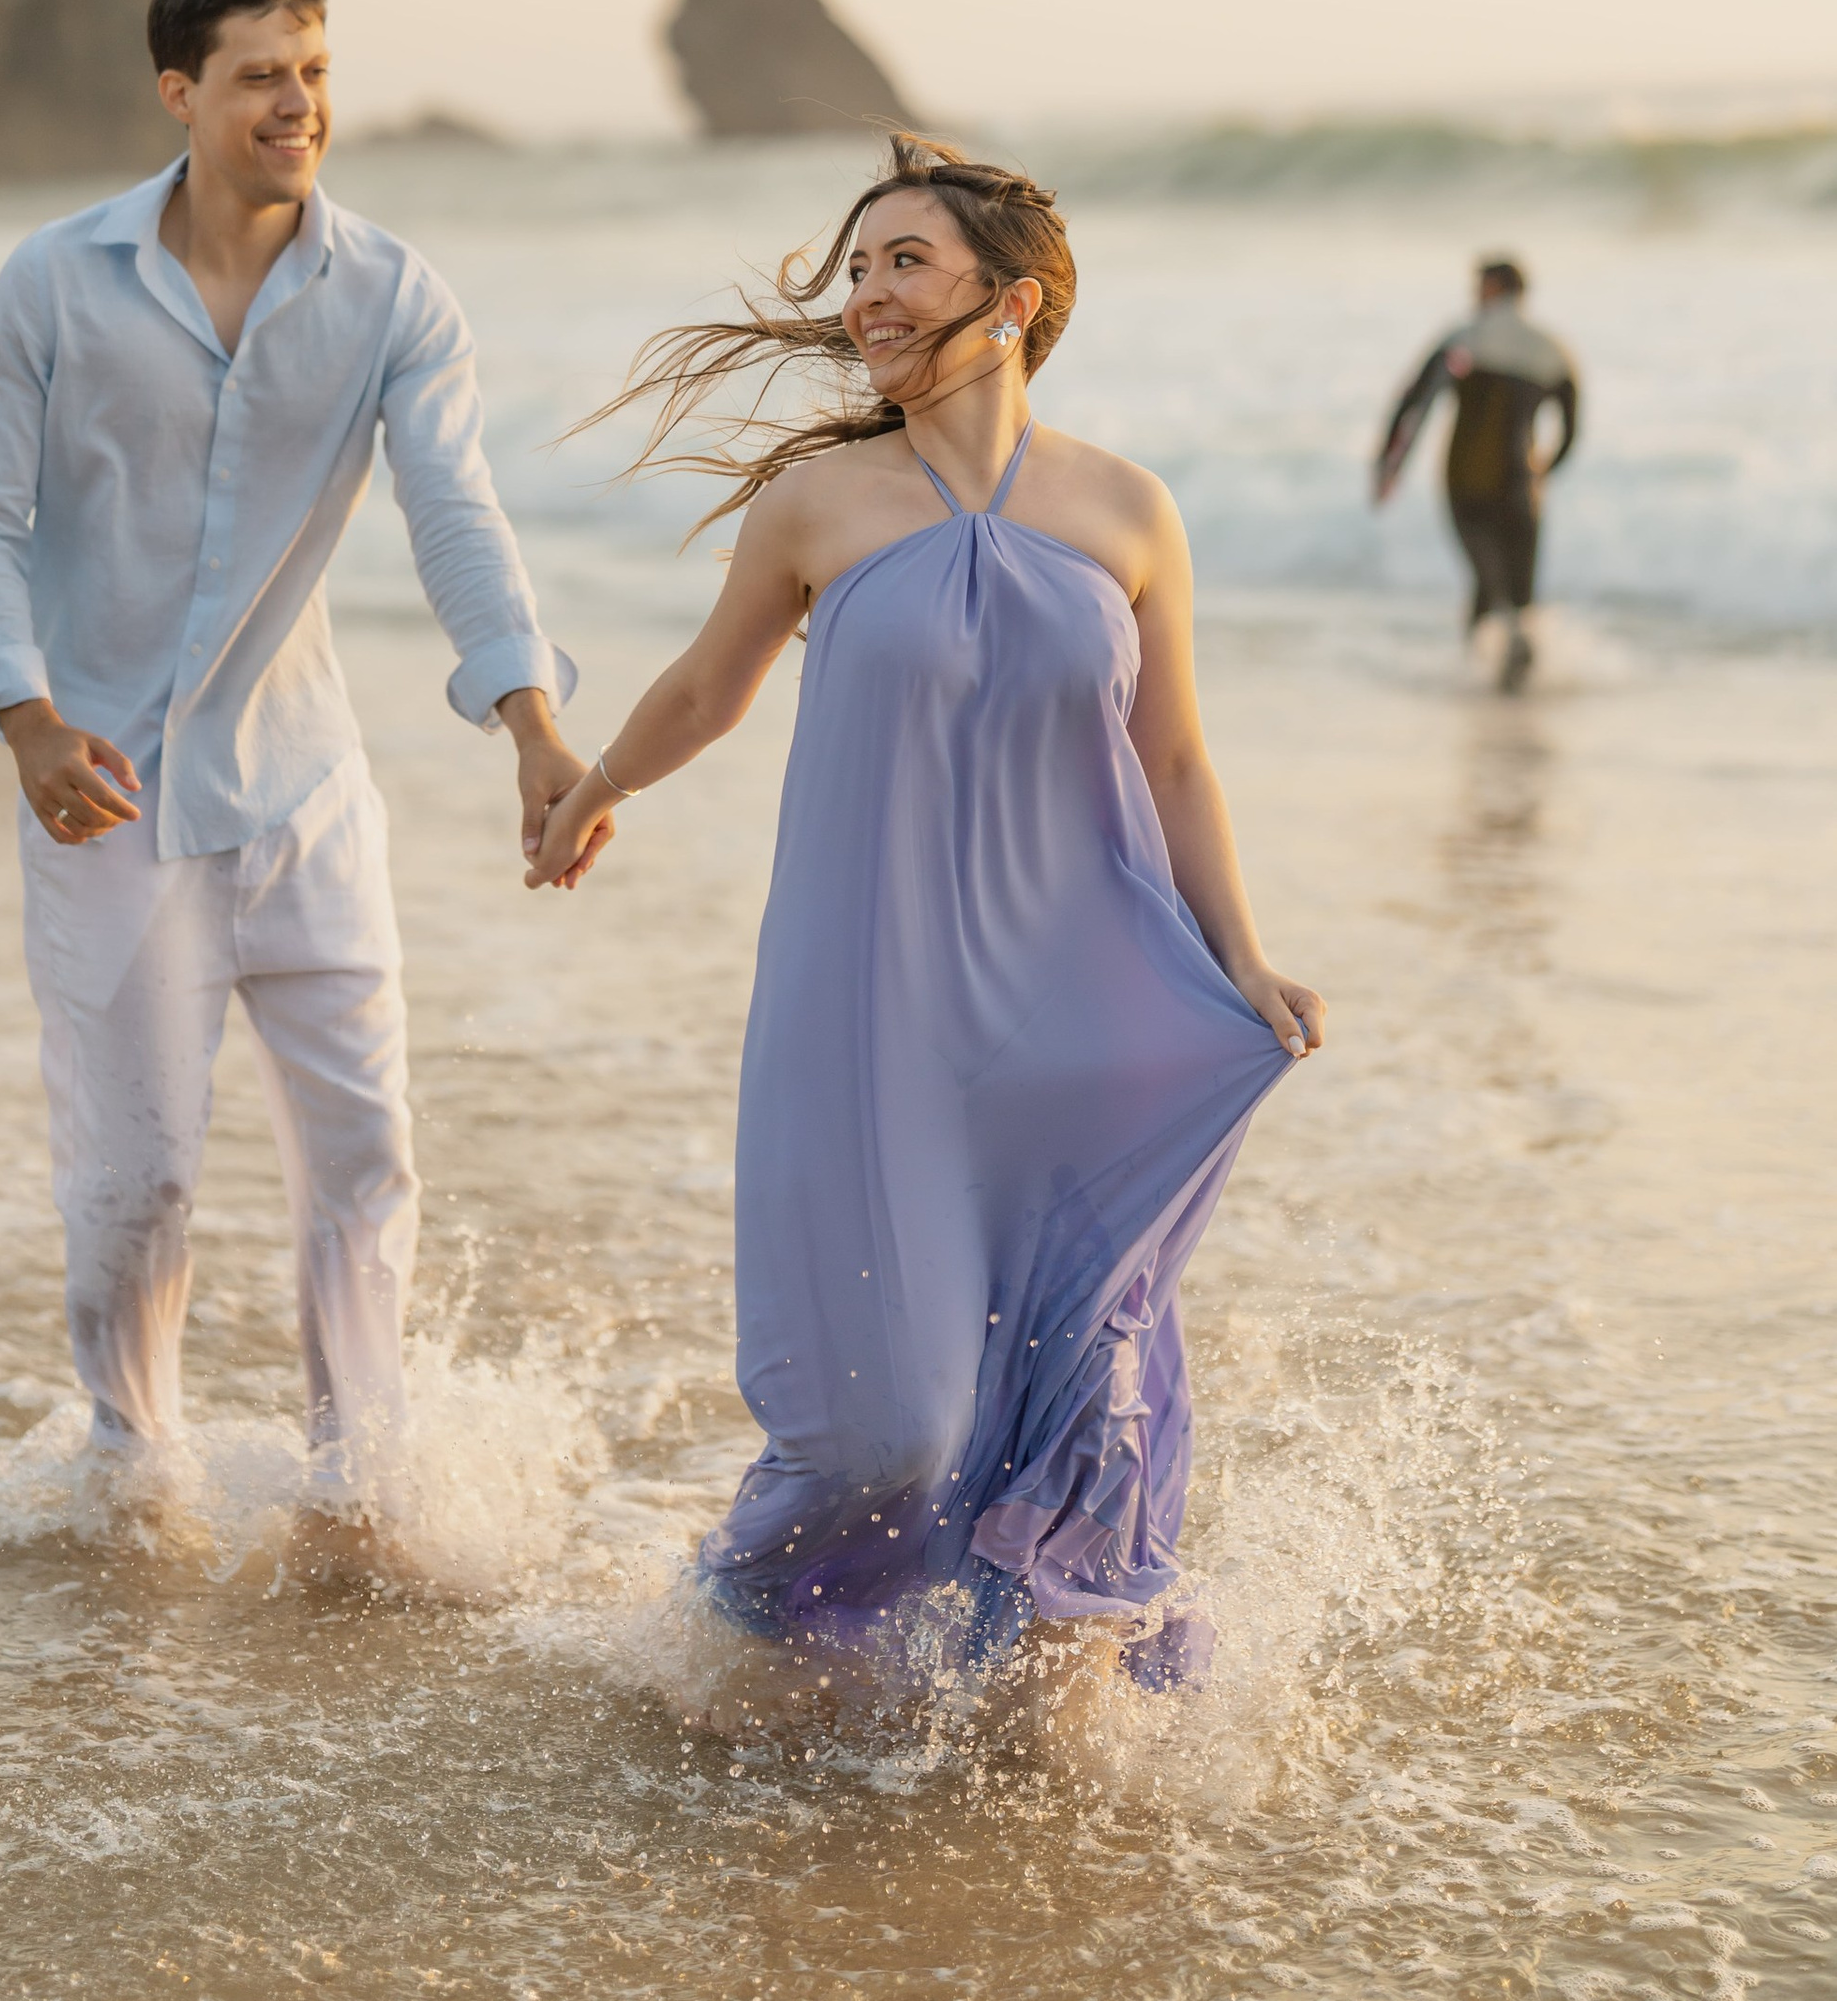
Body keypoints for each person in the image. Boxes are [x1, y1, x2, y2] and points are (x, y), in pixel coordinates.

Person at [526, 137, 1323, 1706]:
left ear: (1011, 302)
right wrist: (597, 780)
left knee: (1077, 1393)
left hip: (1077, 1005)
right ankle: (722, 1633)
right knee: (894, 1427)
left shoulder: (1127, 508)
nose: (867, 294)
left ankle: (1014, 1740)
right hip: (870, 1009)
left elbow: (1172, 751)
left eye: (905, 262)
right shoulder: (822, 503)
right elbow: (707, 685)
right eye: (861, 264)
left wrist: (1238, 950)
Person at [0, 0, 582, 1512]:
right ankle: (129, 1466)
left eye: (317, 71)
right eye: (263, 75)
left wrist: (531, 720)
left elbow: (457, 514)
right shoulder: (53, 283)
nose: (300, 104)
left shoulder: (394, 297)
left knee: (366, 1159)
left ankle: (363, 1485)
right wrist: (22, 717)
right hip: (107, 789)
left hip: (305, 794)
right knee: (136, 1181)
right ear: (181, 92)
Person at [1373, 256, 1580, 687]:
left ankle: (1481, 672)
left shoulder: (1465, 340)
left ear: (1495, 289)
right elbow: (1572, 423)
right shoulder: (1551, 349)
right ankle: (1517, 680)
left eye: (1479, 286)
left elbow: (1415, 403)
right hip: (1524, 485)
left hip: (1466, 480)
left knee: (1486, 579)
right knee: (1521, 593)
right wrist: (1547, 468)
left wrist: (1389, 467)